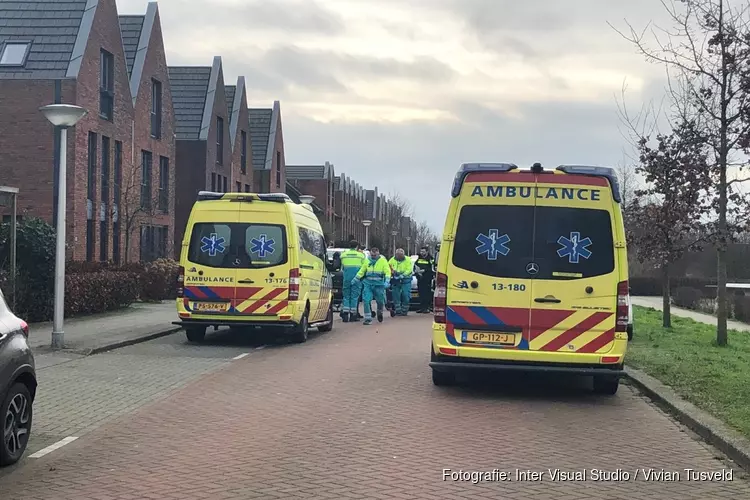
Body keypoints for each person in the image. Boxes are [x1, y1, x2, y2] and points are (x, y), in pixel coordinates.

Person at [353, 246, 391, 325]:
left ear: (378, 254)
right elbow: (362, 271)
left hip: (379, 285)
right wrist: (355, 279)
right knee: (366, 300)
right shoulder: (367, 261)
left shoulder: (383, 261)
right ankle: (368, 318)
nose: (373, 257)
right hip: (368, 284)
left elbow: (387, 272)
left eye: (375, 255)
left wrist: (387, 281)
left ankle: (379, 311)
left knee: (380, 301)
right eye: (372, 255)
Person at [339, 240, 365, 322]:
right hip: (357, 278)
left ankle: (345, 314)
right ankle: (353, 315)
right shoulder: (361, 256)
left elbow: (342, 268)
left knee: (346, 295)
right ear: (357, 246)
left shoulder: (343, 255)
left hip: (346, 278)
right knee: (354, 296)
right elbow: (364, 268)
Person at [388, 248, 413, 316]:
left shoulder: (408, 260)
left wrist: (403, 275)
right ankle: (398, 310)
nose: (399, 257)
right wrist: (392, 273)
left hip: (406, 280)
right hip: (396, 280)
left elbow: (409, 269)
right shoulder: (392, 260)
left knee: (406, 295)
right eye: (398, 255)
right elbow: (388, 267)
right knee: (396, 295)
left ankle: (404, 311)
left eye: (401, 255)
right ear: (396, 254)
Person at [414, 246, 435, 313]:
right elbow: (415, 266)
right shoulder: (418, 258)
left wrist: (425, 270)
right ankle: (422, 307)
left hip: (427, 279)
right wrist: (417, 272)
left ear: (427, 252)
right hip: (420, 279)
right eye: (421, 251)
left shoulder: (430, 259)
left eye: (423, 251)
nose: (422, 253)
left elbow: (432, 268)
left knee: (427, 293)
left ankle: (427, 307)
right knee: (421, 293)